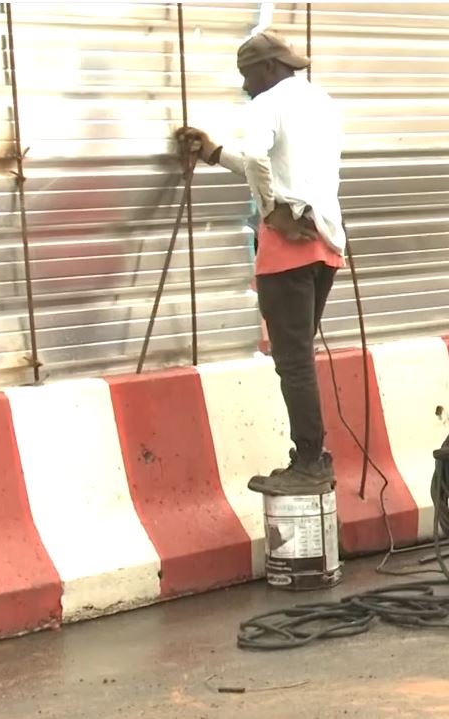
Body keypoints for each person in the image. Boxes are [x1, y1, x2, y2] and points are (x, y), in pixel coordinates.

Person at [175, 29, 346, 494]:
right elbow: (281, 164)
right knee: (300, 357)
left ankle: (310, 460)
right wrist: (213, 153)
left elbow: (258, 157)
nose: (246, 86)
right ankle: (312, 456)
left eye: (248, 76)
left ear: (269, 68)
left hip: (288, 246)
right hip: (325, 244)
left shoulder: (266, 104)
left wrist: (270, 210)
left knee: (292, 361)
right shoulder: (323, 102)